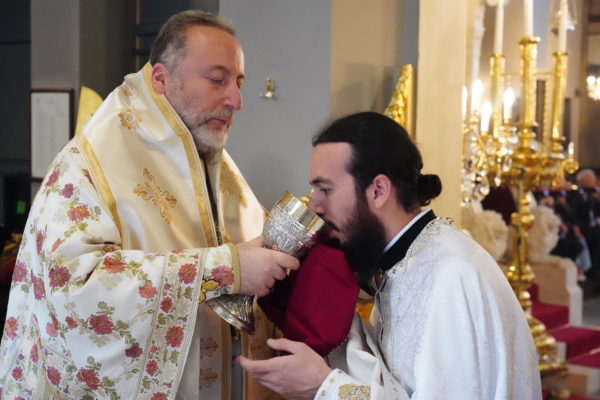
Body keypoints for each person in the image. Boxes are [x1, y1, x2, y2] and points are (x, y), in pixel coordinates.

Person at [0, 10, 299, 400]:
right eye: (217, 79)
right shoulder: (88, 165)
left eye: (239, 82)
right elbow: (73, 289)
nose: (236, 100)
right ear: (161, 78)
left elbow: (254, 245)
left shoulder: (208, 157)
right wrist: (226, 269)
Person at [239, 112, 542, 399]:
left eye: (325, 190)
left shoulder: (451, 277)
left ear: (378, 190)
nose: (314, 205)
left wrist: (324, 387)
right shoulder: (404, 262)